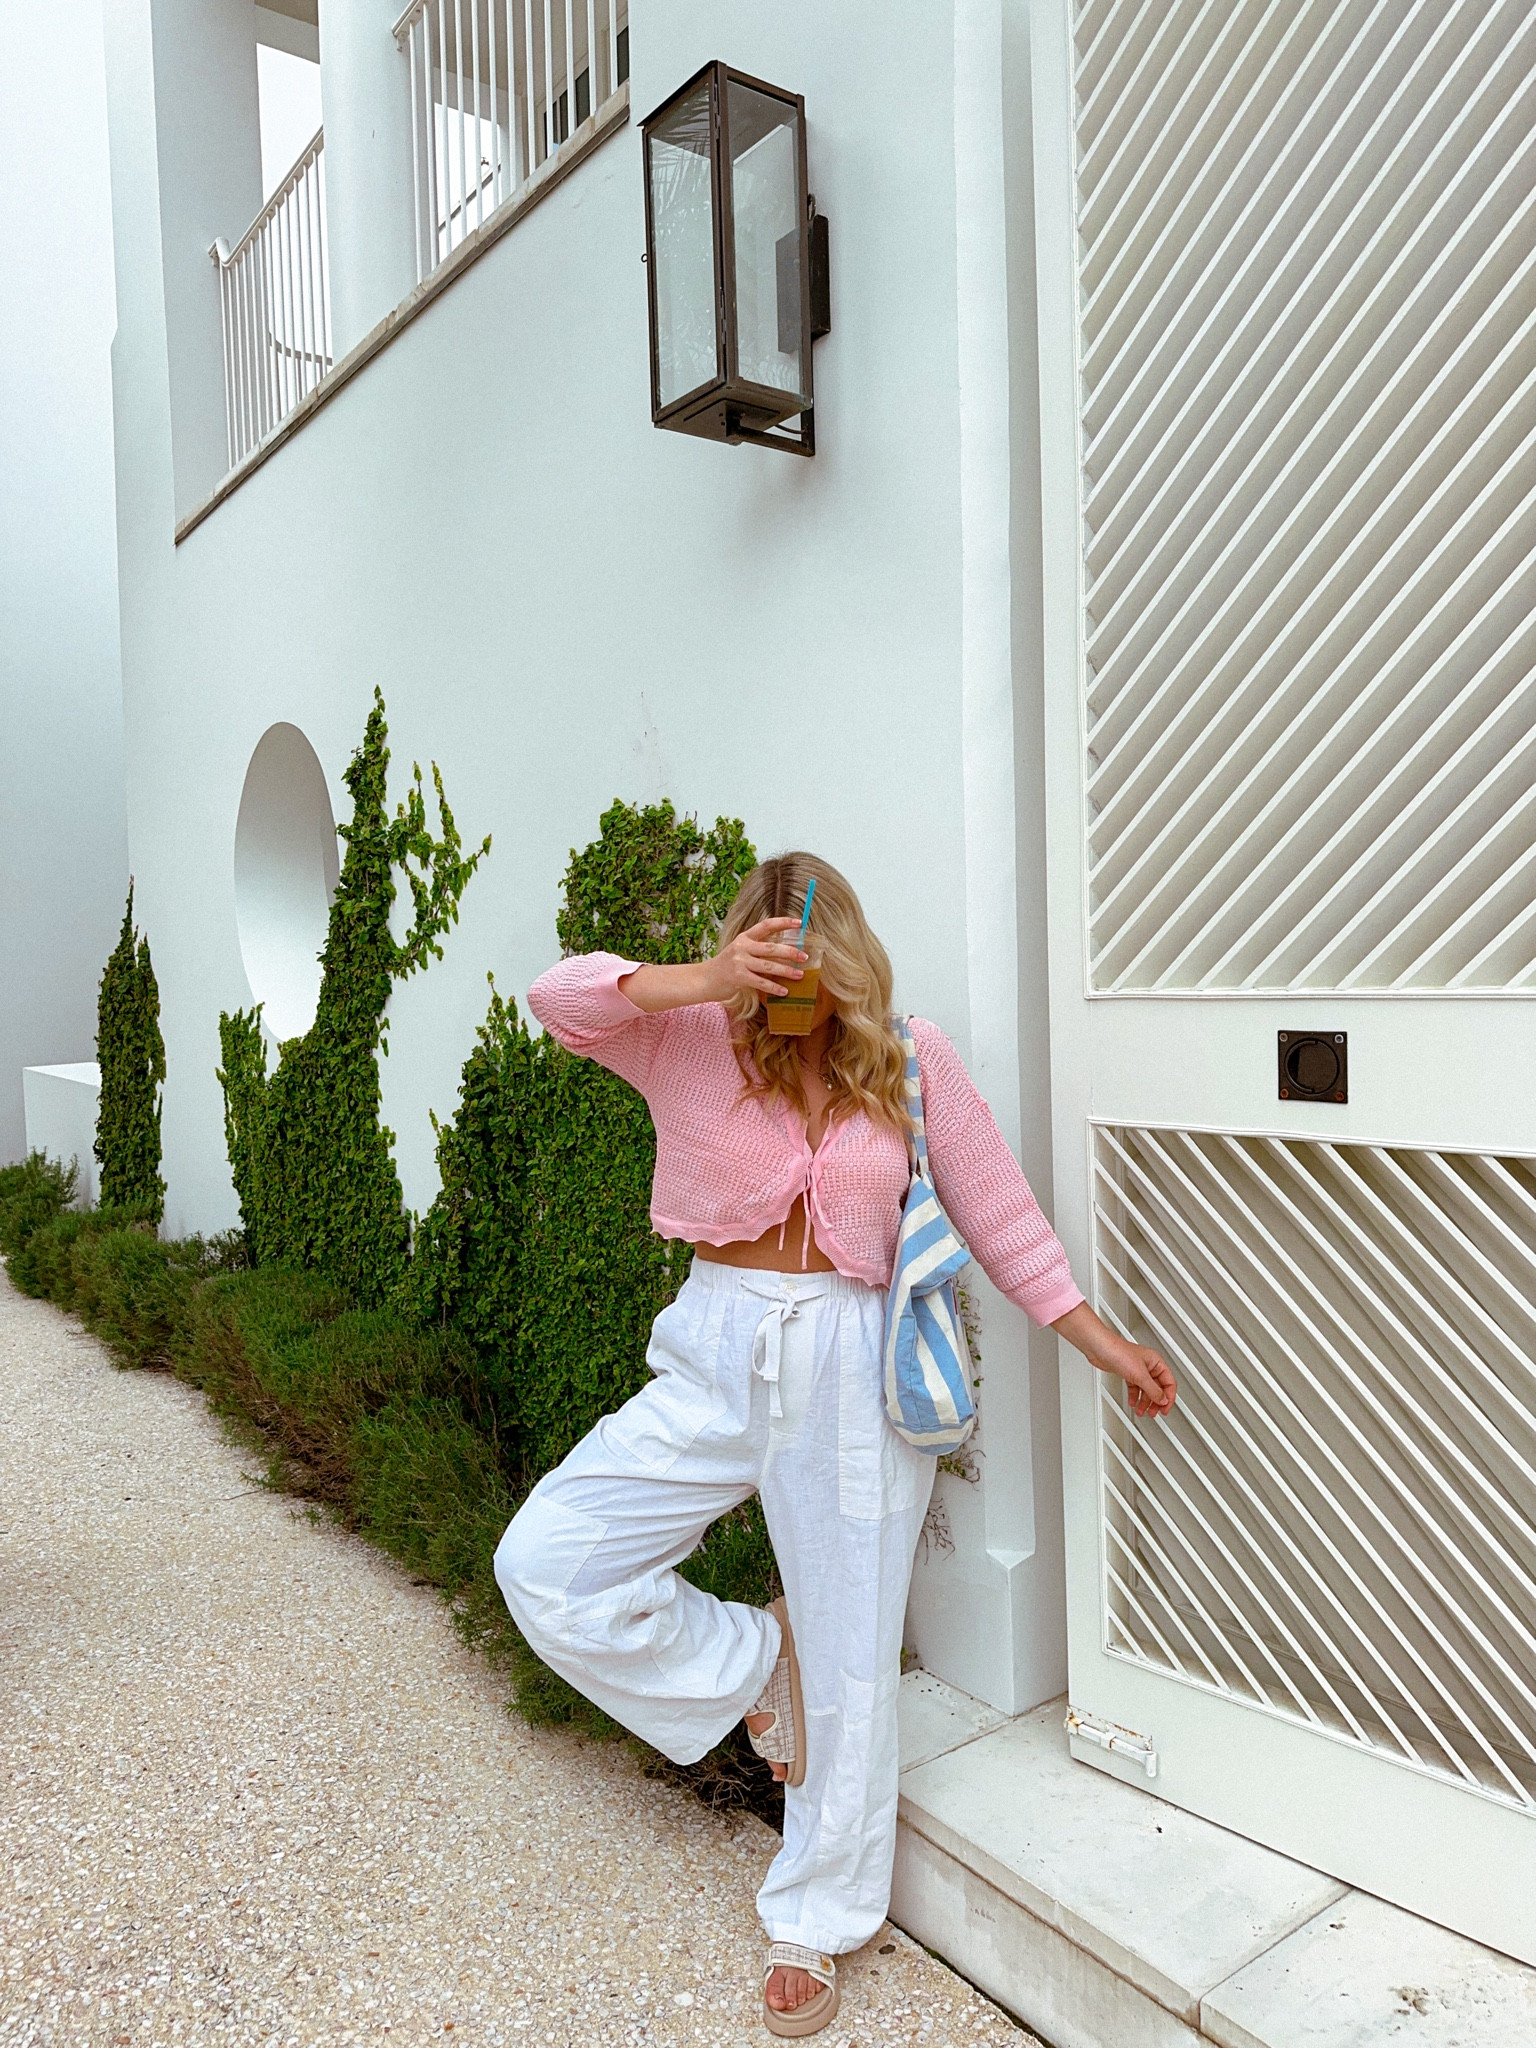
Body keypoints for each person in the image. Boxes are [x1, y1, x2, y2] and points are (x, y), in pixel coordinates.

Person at [494, 853, 1176, 2037]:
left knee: (854, 1658)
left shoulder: (908, 1058)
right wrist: (703, 975)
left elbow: (999, 1210)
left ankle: (814, 1917)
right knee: (549, 1562)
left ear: (843, 945)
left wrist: (1099, 1341)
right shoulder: (691, 1031)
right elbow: (558, 998)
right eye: (761, 945)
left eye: (802, 946)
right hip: (714, 1346)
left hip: (855, 1366)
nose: (784, 970)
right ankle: (760, 1662)